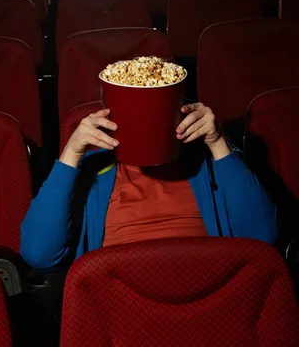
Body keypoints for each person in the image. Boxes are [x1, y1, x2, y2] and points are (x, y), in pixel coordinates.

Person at [21, 103, 278, 269]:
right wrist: (71, 153)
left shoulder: (206, 164)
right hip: (123, 309)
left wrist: (218, 142)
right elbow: (39, 253)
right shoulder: (89, 172)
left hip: (208, 300)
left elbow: (262, 237)